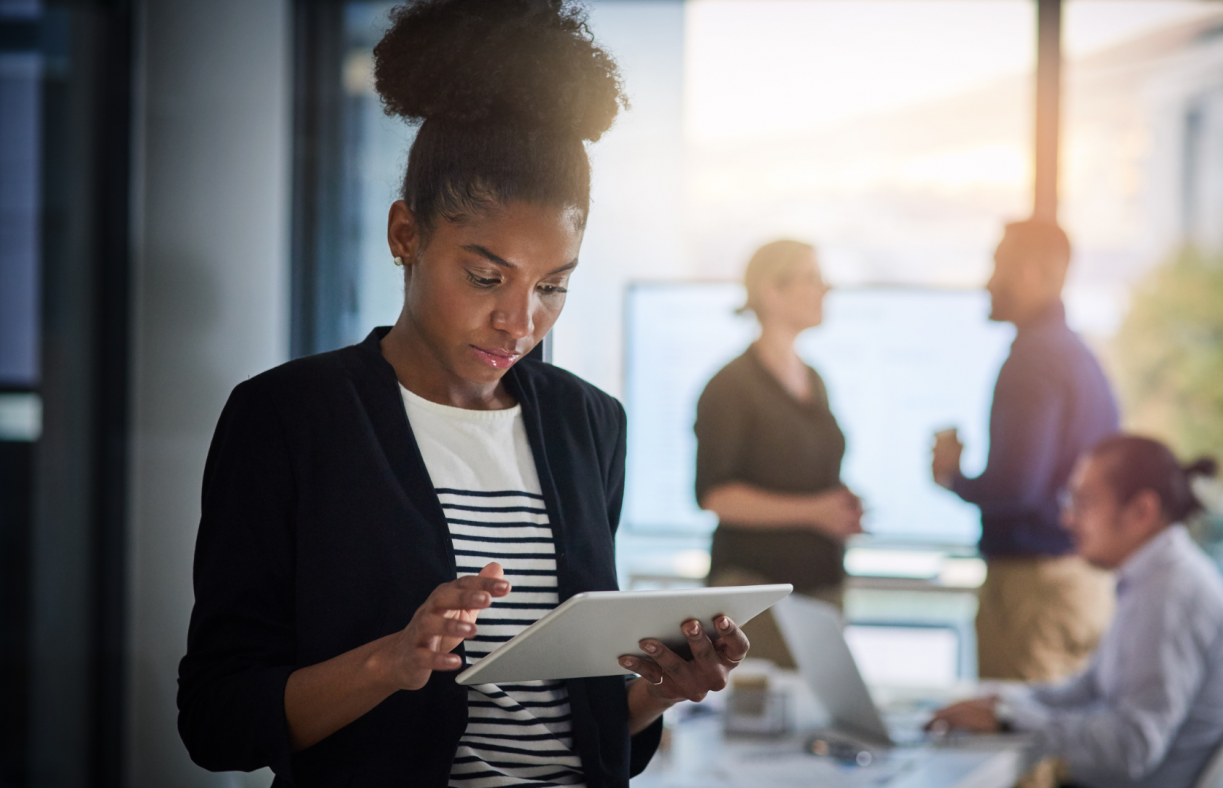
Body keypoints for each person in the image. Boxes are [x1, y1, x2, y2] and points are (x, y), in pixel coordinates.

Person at [176, 3, 750, 786]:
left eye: (553, 286)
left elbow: (578, 723)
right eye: (486, 277)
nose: (520, 320)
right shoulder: (290, 418)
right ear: (405, 236)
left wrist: (653, 693)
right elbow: (218, 721)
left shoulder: (588, 423)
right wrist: (392, 660)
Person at [929, 435, 1223, 788]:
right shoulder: (1150, 580)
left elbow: (1133, 745)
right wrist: (1003, 702)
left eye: (1083, 503)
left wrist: (1012, 721)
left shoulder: (1171, 596)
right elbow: (1089, 690)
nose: (1066, 519)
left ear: (1142, 511)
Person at [932, 219, 1118, 682]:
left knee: (1021, 743)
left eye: (998, 266)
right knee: (1062, 742)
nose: (988, 282)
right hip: (1078, 582)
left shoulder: (1033, 359)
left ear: (1031, 274)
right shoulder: (1078, 355)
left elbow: (1016, 487)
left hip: (1033, 589)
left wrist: (953, 474)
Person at [694, 240, 862, 665]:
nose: (826, 290)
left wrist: (838, 507)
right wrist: (814, 511)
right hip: (756, 595)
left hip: (821, 588)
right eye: (812, 278)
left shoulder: (815, 379)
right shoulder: (730, 386)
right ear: (771, 290)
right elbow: (717, 496)